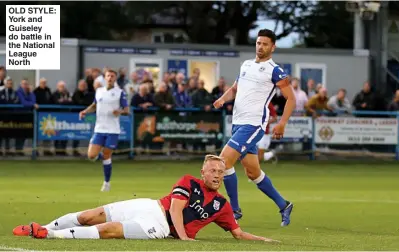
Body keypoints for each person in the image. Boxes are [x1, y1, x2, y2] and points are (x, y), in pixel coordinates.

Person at [13, 155, 278, 242]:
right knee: (87, 216)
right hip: (151, 206)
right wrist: (186, 239)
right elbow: (176, 208)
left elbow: (238, 234)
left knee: (109, 230)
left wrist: (265, 239)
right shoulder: (189, 181)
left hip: (161, 228)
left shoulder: (222, 206)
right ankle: (42, 226)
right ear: (203, 172)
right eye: (213, 171)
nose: (218, 175)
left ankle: (47, 235)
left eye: (221, 172)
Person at [213, 29, 296, 226]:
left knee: (223, 161)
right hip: (238, 122)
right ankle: (284, 205)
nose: (260, 47)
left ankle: (234, 211)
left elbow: (291, 99)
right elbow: (235, 88)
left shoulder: (275, 70)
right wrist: (223, 99)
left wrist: (282, 123)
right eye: (258, 43)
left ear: (272, 47)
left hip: (253, 124)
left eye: (265, 44)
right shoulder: (246, 64)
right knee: (252, 172)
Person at [78, 69, 129, 192]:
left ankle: (106, 183)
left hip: (113, 130)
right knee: (91, 155)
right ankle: (101, 155)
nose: (110, 78)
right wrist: (85, 111)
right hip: (99, 128)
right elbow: (94, 105)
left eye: (112, 76)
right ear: (105, 78)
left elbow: (127, 110)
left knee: (106, 155)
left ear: (115, 78)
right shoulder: (99, 91)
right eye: (108, 76)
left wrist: (120, 112)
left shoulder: (120, 93)